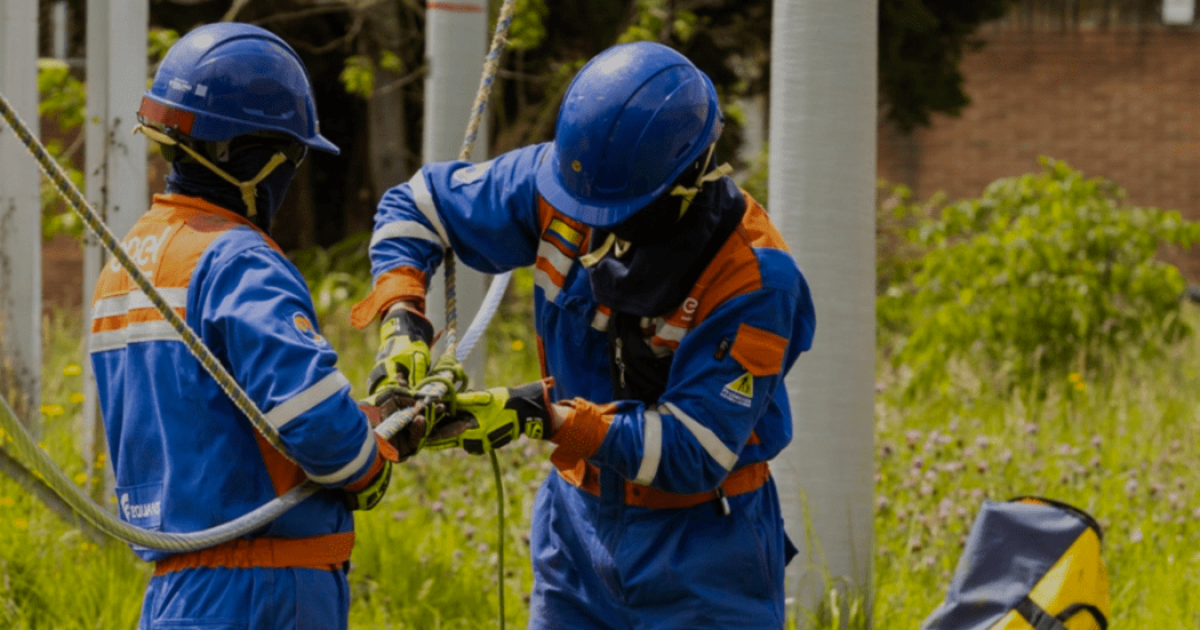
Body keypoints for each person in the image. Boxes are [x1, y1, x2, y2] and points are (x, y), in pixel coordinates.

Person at [351, 41, 816, 628]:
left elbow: (694, 451)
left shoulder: (753, 280)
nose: (590, 226)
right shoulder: (568, 185)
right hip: (575, 532)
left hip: (702, 552)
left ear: (689, 179)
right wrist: (403, 323)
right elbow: (414, 207)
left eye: (614, 214)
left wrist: (541, 416)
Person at [89, 23, 417, 630]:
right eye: (290, 157)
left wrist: (368, 420)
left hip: (175, 594)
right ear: (253, 157)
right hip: (265, 587)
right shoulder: (237, 258)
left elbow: (210, 418)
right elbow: (312, 418)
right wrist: (371, 462)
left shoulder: (125, 262)